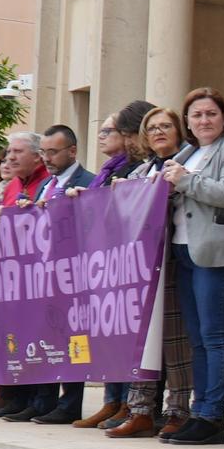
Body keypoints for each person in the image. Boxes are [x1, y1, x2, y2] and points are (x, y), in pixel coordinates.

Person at [162, 87, 224, 446]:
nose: (204, 120)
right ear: (187, 121)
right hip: (183, 251)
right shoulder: (188, 152)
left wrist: (183, 181)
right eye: (197, 115)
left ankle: (213, 415)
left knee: (215, 336)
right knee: (196, 339)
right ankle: (198, 411)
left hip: (219, 254)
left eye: (210, 114)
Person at [110, 107, 192, 438]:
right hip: (139, 267)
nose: (158, 132)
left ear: (178, 131)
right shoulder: (140, 171)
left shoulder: (186, 164)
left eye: (165, 126)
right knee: (140, 339)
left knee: (175, 340)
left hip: (172, 260)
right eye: (152, 127)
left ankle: (178, 410)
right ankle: (140, 410)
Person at [70, 104, 152, 429]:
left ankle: (129, 402)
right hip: (104, 260)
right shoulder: (108, 169)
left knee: (125, 332)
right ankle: (111, 400)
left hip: (127, 260)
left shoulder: (137, 167)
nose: (102, 136)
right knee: (106, 332)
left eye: (109, 131)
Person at [0, 134, 52, 419]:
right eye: (8, 152)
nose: (10, 157)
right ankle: (11, 392)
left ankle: (35, 398)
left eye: (18, 151)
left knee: (37, 337)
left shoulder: (45, 182)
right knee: (13, 337)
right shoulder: (13, 185)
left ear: (37, 155)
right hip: (11, 274)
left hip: (38, 273)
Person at [28, 124, 98, 423]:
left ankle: (70, 403)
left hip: (74, 274)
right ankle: (44, 399)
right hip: (45, 273)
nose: (47, 158)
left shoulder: (90, 182)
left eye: (53, 152)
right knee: (46, 336)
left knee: (74, 340)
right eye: (43, 152)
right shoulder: (46, 185)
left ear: (72, 151)